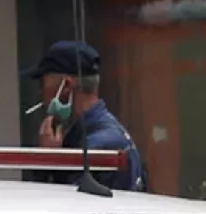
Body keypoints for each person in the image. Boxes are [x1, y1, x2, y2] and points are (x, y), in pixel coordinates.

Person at [21, 40, 148, 192]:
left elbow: (61, 204)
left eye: (42, 84)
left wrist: (50, 162)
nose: (40, 93)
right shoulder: (107, 133)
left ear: (66, 85)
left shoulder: (94, 148)